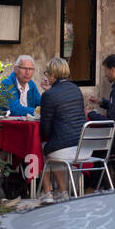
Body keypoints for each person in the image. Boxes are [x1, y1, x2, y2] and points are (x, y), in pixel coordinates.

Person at [39, 56, 87, 201]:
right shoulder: (76, 89)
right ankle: (62, 191)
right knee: (53, 147)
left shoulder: (49, 95)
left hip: (64, 148)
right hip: (82, 147)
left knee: (41, 147)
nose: (46, 76)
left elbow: (45, 130)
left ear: (53, 74)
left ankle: (47, 193)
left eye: (47, 73)